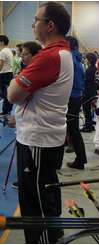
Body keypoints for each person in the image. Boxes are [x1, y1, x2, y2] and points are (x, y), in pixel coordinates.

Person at [7, 2, 73, 243]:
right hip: (43, 137)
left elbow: (13, 93)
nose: (33, 24)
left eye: (36, 19)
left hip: (38, 140)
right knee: (45, 192)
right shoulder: (60, 53)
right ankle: (52, 234)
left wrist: (17, 84)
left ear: (50, 25)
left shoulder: (50, 56)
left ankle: (45, 240)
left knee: (35, 202)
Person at [10, 41, 42, 190]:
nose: (22, 58)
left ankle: (28, 183)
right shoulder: (27, 69)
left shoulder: (36, 72)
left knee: (30, 164)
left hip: (32, 126)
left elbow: (16, 95)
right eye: (21, 55)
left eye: (26, 54)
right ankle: (24, 181)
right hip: (23, 122)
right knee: (23, 158)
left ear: (36, 55)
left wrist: (14, 84)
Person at [65, 36, 87, 170]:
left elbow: (67, 79)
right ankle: (80, 159)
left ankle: (80, 159)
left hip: (70, 96)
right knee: (72, 129)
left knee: (72, 129)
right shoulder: (78, 59)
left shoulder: (70, 58)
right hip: (77, 95)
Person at [81, 52, 99, 132]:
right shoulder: (94, 68)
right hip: (92, 90)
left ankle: (88, 126)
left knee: (86, 108)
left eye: (86, 59)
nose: (85, 60)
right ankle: (89, 123)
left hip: (88, 91)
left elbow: (87, 82)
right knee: (89, 108)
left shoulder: (89, 70)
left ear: (90, 60)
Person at [0, 35, 14, 116]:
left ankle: (5, 111)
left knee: (6, 94)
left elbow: (0, 65)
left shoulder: (3, 51)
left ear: (1, 42)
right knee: (7, 94)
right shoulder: (8, 50)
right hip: (9, 74)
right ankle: (7, 111)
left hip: (4, 75)